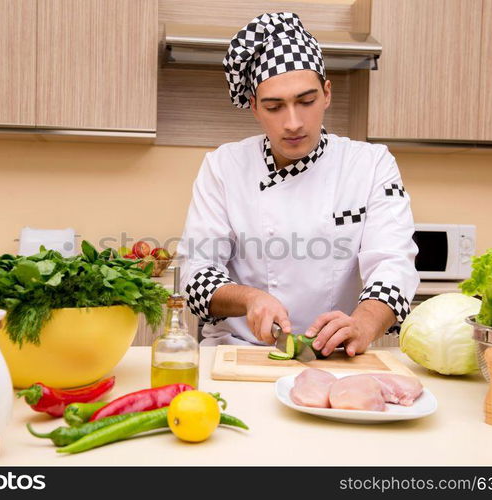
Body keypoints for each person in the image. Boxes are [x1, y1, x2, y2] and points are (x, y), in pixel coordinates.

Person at [176, 12, 419, 356]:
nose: (293, 122)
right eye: (275, 107)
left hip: (336, 352)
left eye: (306, 102)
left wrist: (364, 322)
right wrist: (249, 298)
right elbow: (196, 273)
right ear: (254, 108)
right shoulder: (223, 167)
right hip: (239, 349)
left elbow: (393, 263)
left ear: (326, 93)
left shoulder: (370, 164)